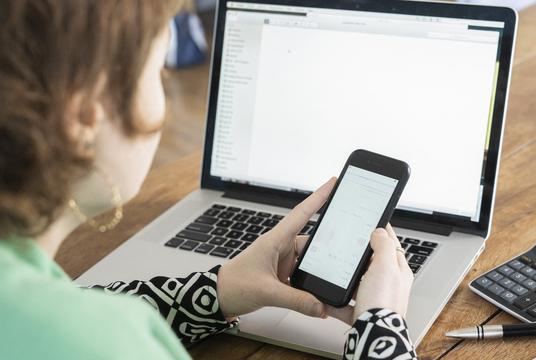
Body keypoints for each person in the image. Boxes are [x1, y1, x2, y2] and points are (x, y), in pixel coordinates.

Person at [0, 1, 417, 359]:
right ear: (84, 116)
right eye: (158, 74)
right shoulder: (105, 342)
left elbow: (75, 308)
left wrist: (218, 290)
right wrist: (380, 330)